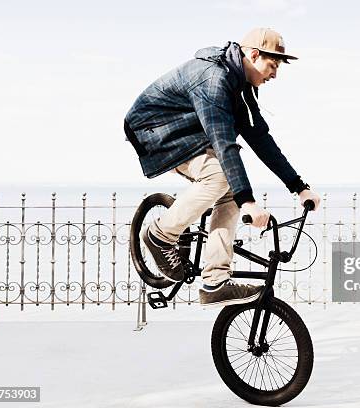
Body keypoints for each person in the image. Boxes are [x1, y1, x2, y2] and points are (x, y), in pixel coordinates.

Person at [123, 28, 320, 306]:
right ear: (253, 55)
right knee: (220, 177)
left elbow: (259, 137)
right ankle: (160, 234)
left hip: (188, 129)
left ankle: (215, 282)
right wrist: (249, 201)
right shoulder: (213, 80)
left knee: (228, 188)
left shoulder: (240, 83)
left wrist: (298, 187)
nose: (275, 74)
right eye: (273, 65)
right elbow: (224, 142)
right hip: (154, 129)